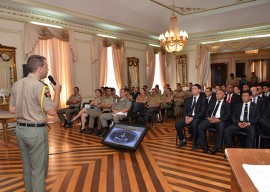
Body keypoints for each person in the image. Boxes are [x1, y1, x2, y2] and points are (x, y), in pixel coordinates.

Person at [9, 55, 61, 192]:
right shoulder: (41, 87)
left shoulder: (16, 84)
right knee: (38, 170)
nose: (47, 69)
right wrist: (58, 92)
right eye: (46, 67)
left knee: (27, 167)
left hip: (20, 130)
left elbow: (12, 109)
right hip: (35, 132)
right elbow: (52, 111)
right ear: (39, 69)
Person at [197, 90, 230, 154]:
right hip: (211, 119)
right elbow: (207, 111)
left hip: (220, 121)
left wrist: (219, 119)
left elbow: (228, 115)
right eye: (217, 93)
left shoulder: (227, 104)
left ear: (224, 96)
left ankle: (216, 147)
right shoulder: (212, 102)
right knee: (200, 126)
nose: (217, 95)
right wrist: (208, 117)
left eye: (219, 94)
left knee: (221, 127)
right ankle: (205, 145)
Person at [175, 84, 206, 149]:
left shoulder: (203, 99)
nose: (193, 90)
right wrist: (186, 116)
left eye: (195, 88)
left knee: (194, 124)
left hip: (197, 117)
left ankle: (195, 142)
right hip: (188, 116)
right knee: (178, 123)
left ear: (199, 90)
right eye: (192, 88)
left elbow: (202, 112)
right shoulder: (188, 99)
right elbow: (185, 110)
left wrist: (192, 118)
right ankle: (183, 140)